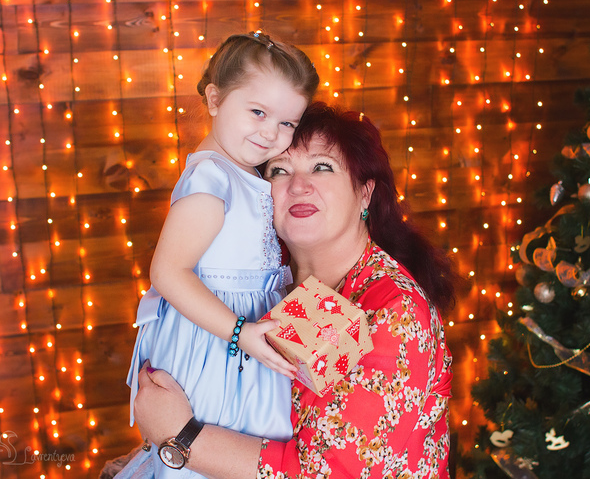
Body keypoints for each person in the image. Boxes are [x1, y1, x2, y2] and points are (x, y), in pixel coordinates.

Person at [132, 102, 457, 479]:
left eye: (322, 167)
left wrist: (181, 438)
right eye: (279, 170)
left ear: (365, 194)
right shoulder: (262, 286)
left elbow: (331, 473)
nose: (299, 185)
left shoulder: (393, 309)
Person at [117, 32, 320, 478]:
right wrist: (239, 332)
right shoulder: (211, 176)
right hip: (215, 341)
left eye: (288, 123)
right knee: (211, 451)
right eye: (258, 112)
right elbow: (168, 272)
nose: (270, 133)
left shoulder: (243, 172)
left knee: (254, 441)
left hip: (242, 339)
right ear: (214, 99)